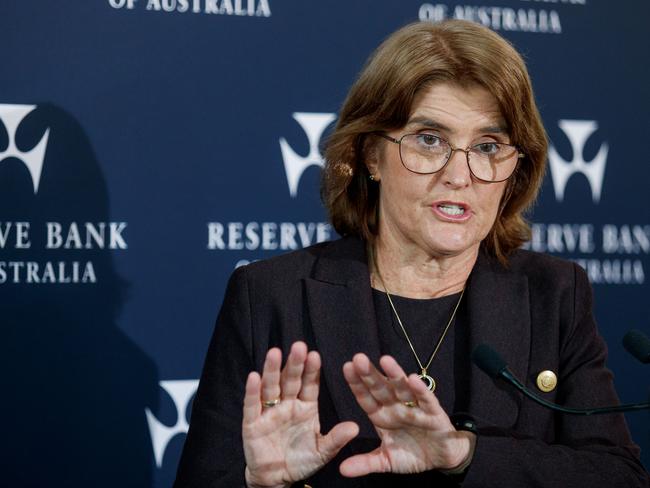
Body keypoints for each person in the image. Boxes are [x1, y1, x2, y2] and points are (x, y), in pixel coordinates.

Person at [174, 20, 649, 487]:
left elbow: (619, 475)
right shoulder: (270, 296)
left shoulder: (555, 294)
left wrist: (463, 455)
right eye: (430, 140)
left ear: (515, 168)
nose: (460, 176)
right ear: (370, 155)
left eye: (487, 146)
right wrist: (259, 484)